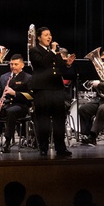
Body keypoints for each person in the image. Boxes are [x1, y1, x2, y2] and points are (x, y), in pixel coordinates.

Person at [28, 26, 74, 158]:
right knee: (44, 120)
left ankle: (61, 148)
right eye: (46, 35)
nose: (49, 37)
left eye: (50, 35)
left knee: (59, 120)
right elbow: (41, 64)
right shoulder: (34, 51)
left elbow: (61, 71)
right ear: (39, 37)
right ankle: (43, 148)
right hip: (42, 90)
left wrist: (68, 65)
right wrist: (53, 52)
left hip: (56, 89)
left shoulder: (55, 52)